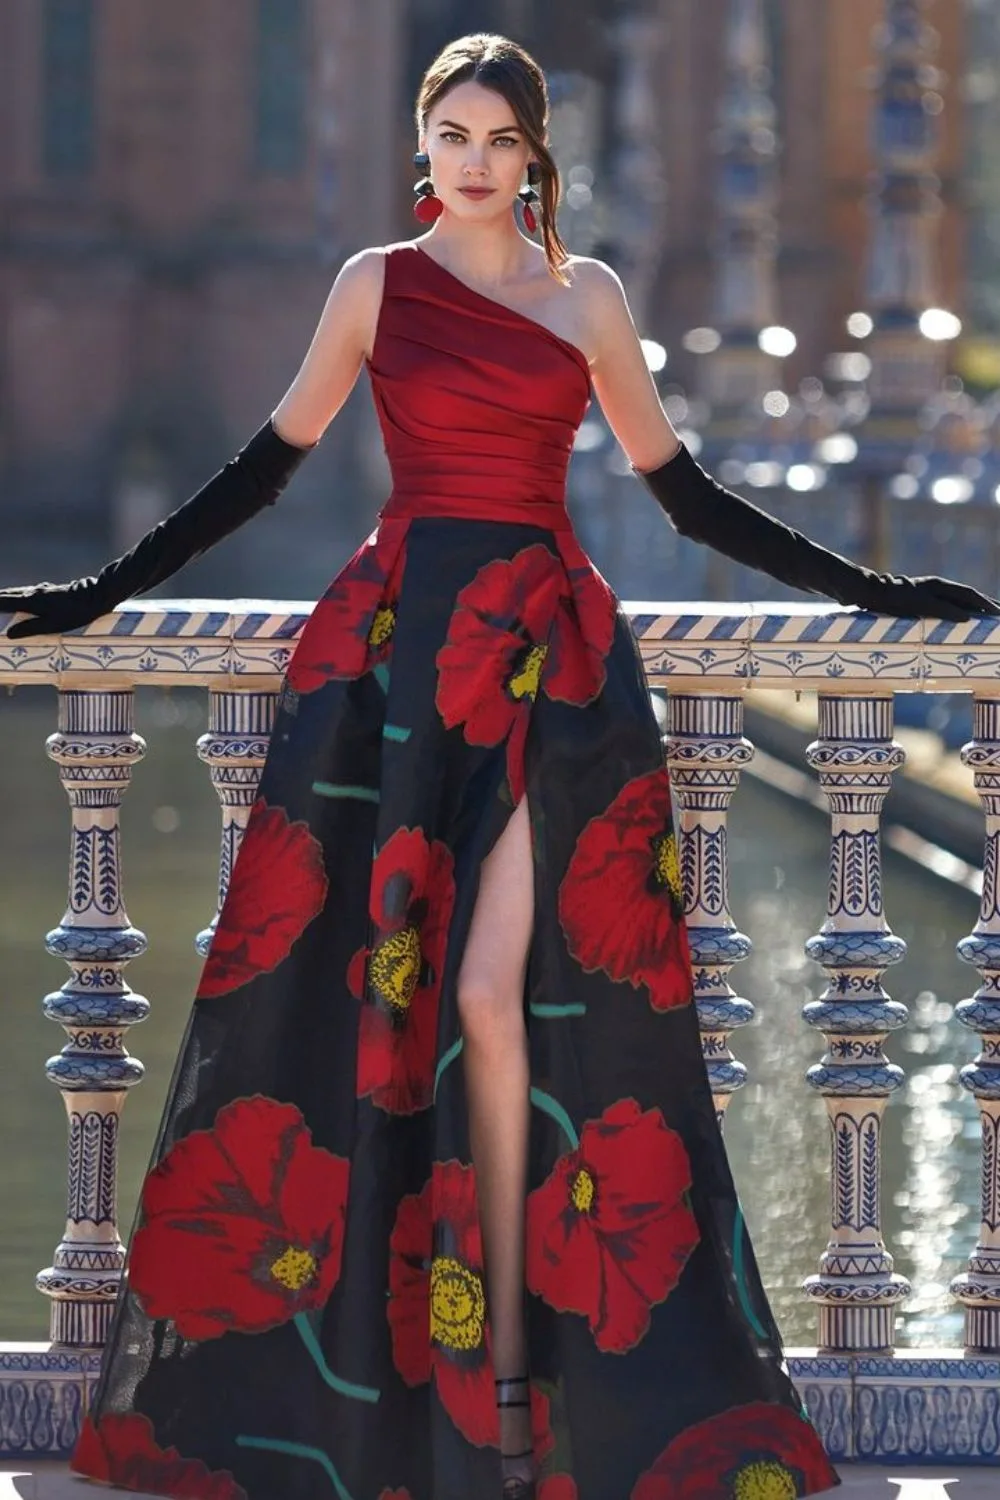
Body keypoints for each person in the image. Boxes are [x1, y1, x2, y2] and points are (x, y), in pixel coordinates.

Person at [2, 30, 996, 1500]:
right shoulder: (373, 284)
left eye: (498, 139)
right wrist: (103, 591)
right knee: (362, 1021)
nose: (472, 161)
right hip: (399, 667)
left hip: (547, 664)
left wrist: (879, 594)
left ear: (536, 159)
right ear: (426, 148)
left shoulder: (586, 298)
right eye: (450, 135)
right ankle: (399, 1389)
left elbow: (689, 496)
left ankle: (520, 1375)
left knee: (487, 991)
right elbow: (268, 465)